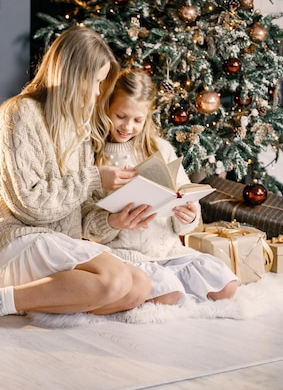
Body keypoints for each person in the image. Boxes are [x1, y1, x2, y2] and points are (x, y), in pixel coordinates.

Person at [0, 26, 155, 325]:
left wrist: (113, 220)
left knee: (138, 287)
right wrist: (94, 177)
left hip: (56, 243)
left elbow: (81, 219)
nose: (99, 93)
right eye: (96, 82)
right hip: (13, 241)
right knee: (114, 281)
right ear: (74, 76)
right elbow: (29, 204)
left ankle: (26, 298)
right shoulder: (20, 112)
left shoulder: (81, 129)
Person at [83, 69, 239, 305]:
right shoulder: (92, 154)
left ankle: (173, 284)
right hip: (126, 255)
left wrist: (188, 215)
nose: (128, 127)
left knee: (226, 287)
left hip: (169, 251)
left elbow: (185, 195)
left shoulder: (160, 148)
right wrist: (113, 221)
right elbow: (86, 225)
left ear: (148, 117)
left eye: (138, 120)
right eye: (121, 116)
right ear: (105, 108)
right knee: (168, 295)